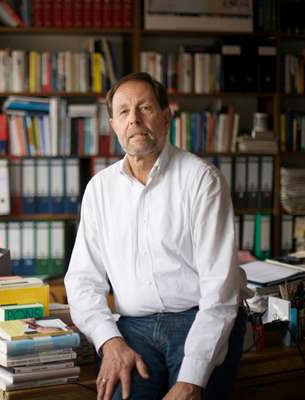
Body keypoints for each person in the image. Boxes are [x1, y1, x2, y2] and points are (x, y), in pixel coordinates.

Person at [64, 72, 248, 400]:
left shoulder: (202, 181)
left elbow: (220, 289)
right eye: (123, 112)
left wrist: (191, 381)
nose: (133, 119)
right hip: (133, 330)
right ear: (113, 125)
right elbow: (82, 282)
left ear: (166, 116)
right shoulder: (99, 190)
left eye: (144, 108)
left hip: (198, 321)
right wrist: (110, 342)